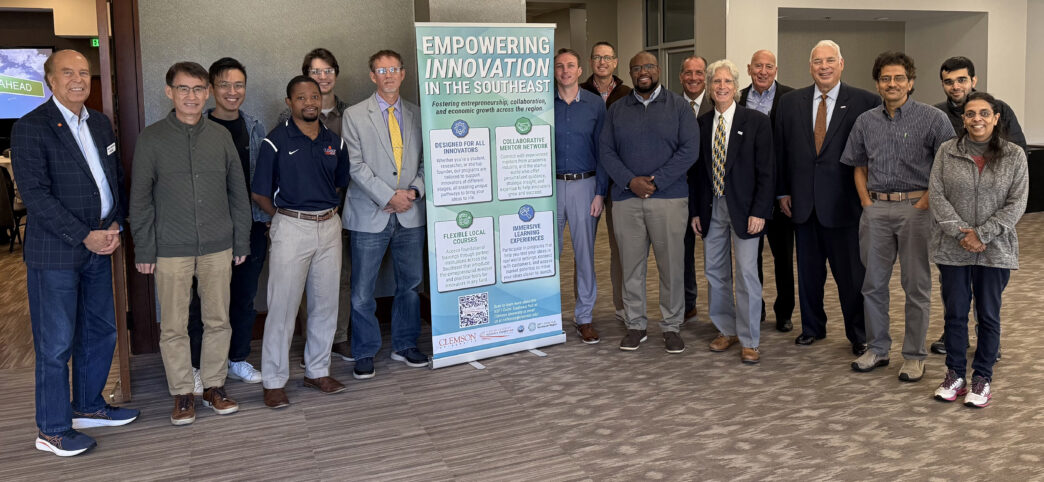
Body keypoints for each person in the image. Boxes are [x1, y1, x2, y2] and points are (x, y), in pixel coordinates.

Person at [11, 49, 138, 456]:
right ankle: (51, 429)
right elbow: (36, 196)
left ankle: (87, 406)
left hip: (102, 243)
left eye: (84, 72)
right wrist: (84, 234)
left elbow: (113, 179)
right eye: (68, 72)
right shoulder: (31, 128)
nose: (78, 79)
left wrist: (116, 221)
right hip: (57, 253)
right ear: (50, 80)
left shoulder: (100, 124)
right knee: (56, 344)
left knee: (101, 331)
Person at [130, 61, 252, 424]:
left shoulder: (220, 136)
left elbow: (237, 194)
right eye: (184, 89)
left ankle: (214, 386)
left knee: (218, 320)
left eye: (199, 89)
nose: (192, 96)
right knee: (173, 325)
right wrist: (145, 248)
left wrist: (241, 241)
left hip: (218, 245)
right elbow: (140, 199)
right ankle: (183, 392)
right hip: (170, 248)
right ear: (170, 92)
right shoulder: (151, 138)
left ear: (208, 93)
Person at [841, 51, 955, 382]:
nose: (892, 84)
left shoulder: (933, 119)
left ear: (911, 82)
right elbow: (858, 166)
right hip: (876, 210)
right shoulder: (865, 121)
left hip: (916, 210)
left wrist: (924, 204)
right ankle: (877, 349)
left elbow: (946, 166)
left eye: (899, 78)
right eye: (886, 78)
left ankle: (914, 355)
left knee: (915, 285)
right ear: (877, 83)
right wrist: (866, 202)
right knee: (873, 284)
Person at [775, 40, 879, 355]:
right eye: (818, 61)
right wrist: (782, 190)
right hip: (802, 204)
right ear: (810, 66)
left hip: (845, 204)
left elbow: (872, 154)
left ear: (841, 63)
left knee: (851, 276)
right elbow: (781, 150)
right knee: (808, 273)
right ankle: (812, 327)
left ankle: (858, 333)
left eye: (830, 60)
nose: (823, 66)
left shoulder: (865, 101)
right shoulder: (791, 102)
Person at [253, 76, 350, 408]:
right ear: (289, 102)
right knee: (282, 307)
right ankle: (274, 380)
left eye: (315, 96)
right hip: (291, 227)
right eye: (301, 97)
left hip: (329, 226)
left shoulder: (334, 142)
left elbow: (339, 184)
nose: (310, 102)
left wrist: (323, 214)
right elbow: (260, 192)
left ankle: (317, 370)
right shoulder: (275, 141)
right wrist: (283, 216)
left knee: (325, 304)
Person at [929, 91, 1027, 407]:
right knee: (955, 314)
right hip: (953, 248)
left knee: (988, 315)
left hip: (995, 249)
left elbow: (1017, 203)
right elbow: (937, 196)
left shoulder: (1014, 156)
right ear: (964, 119)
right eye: (971, 114)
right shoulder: (947, 151)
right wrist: (962, 235)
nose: (977, 119)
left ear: (996, 118)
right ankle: (955, 374)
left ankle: (982, 377)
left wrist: (982, 234)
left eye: (984, 113)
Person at [601, 51, 699, 353]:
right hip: (626, 200)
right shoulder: (617, 109)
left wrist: (655, 181)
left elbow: (689, 150)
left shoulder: (679, 107)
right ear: (630, 74)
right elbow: (606, 151)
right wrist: (631, 181)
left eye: (649, 67)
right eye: (637, 68)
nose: (643, 72)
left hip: (668, 199)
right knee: (631, 266)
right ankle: (635, 325)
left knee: (671, 266)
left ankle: (671, 326)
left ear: (659, 70)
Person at [342, 50, 429, 379]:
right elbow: (355, 165)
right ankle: (364, 351)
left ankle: (405, 344)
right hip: (369, 213)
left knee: (410, 284)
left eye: (394, 69)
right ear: (372, 76)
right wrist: (388, 196)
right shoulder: (354, 115)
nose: (388, 75)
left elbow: (428, 161)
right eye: (381, 69)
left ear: (403, 74)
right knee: (363, 289)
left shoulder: (419, 114)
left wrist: (413, 193)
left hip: (411, 211)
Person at [184, 57, 268, 392]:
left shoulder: (254, 127)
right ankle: (197, 365)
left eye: (239, 85)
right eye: (224, 85)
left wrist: (268, 218)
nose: (232, 92)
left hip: (251, 225)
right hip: (208, 229)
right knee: (203, 301)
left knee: (244, 297)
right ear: (210, 89)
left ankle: (236, 359)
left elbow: (263, 179)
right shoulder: (195, 127)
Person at [689, 59, 774, 364]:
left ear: (736, 87)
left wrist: (760, 211)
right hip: (712, 208)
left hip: (746, 210)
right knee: (715, 272)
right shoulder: (700, 124)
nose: (721, 87)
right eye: (716, 82)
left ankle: (750, 338)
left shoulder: (756, 122)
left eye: (727, 82)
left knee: (747, 273)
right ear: (710, 89)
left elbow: (767, 172)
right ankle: (726, 329)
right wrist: (696, 212)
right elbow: (698, 174)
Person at [278, 48, 353, 363]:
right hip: (304, 215)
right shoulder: (289, 120)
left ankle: (339, 337)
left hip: (346, 209)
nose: (322, 77)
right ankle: (312, 341)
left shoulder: (352, 113)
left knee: (342, 276)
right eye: (315, 72)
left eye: (327, 70)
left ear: (336, 73)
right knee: (307, 279)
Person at [553, 48, 607, 343]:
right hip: (549, 188)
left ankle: (584, 317)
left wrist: (600, 192)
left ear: (579, 69)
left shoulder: (595, 104)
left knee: (584, 255)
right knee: (548, 256)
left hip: (586, 186)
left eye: (570, 65)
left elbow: (604, 150)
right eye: (559, 66)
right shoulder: (543, 102)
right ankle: (546, 315)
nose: (565, 71)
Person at [739, 49, 795, 333]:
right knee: (751, 257)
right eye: (758, 66)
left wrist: (786, 189)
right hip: (749, 193)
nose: (763, 71)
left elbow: (794, 149)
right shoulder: (738, 98)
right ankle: (755, 308)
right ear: (749, 69)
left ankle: (784, 312)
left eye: (768, 66)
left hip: (780, 192)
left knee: (784, 257)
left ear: (776, 69)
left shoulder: (792, 98)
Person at [580, 41, 632, 323]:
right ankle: (583, 310)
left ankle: (622, 307)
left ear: (616, 62)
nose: (602, 62)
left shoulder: (627, 94)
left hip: (618, 183)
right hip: (587, 181)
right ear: (590, 63)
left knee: (620, 248)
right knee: (583, 246)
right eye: (597, 57)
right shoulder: (579, 92)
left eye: (607, 58)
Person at [679, 55, 712, 323]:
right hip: (679, 190)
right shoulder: (670, 106)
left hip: (711, 191)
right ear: (681, 76)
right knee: (682, 251)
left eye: (699, 73)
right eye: (688, 73)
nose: (693, 78)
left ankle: (719, 311)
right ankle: (688, 303)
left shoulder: (720, 104)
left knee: (715, 254)